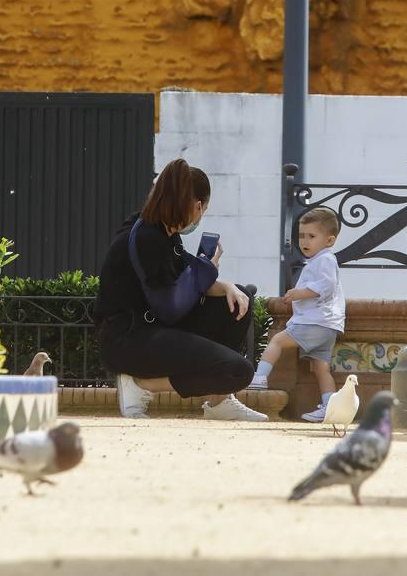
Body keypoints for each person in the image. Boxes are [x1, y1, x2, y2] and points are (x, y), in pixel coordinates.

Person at [94, 158, 268, 421]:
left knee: (235, 302)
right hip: (129, 340)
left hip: (152, 328)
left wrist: (228, 288)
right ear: (197, 206)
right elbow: (171, 307)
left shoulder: (161, 230)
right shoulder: (148, 238)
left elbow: (179, 283)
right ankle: (139, 385)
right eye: (204, 209)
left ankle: (220, 401)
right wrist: (208, 270)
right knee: (238, 371)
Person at [247, 207, 345, 423]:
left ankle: (259, 377)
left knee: (277, 341)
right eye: (302, 236)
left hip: (315, 322)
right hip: (327, 325)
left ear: (329, 240)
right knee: (320, 368)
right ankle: (330, 406)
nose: (305, 242)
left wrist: (300, 293)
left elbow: (326, 285)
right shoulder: (321, 259)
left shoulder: (325, 259)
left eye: (311, 236)